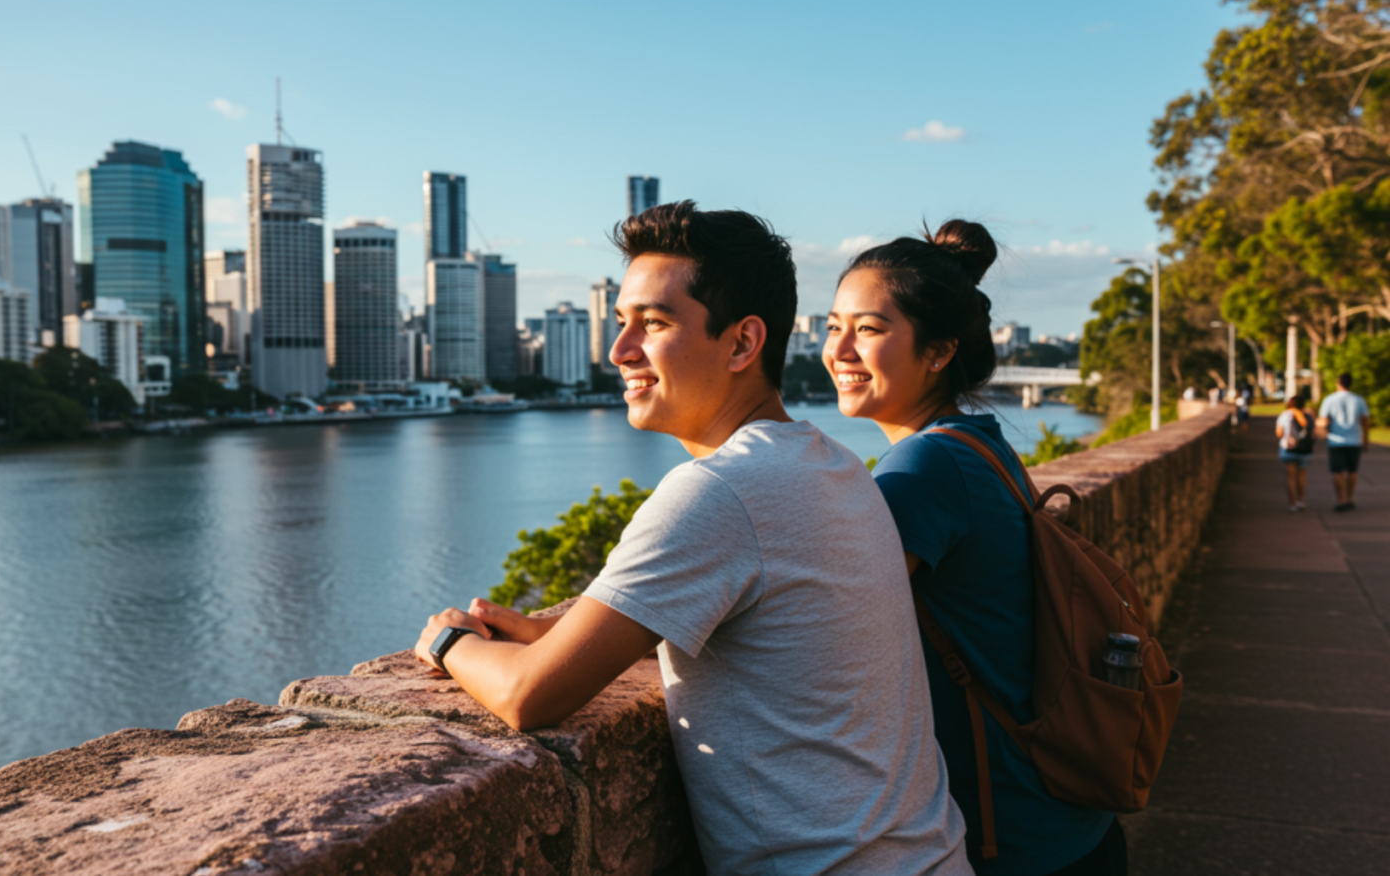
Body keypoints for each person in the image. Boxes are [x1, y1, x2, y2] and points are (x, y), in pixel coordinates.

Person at [413, 202, 972, 876]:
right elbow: (772, 633)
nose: (619, 351)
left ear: (741, 343)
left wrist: (451, 641)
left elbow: (529, 696)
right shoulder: (833, 465)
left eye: (653, 324)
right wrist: (563, 631)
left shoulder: (720, 490)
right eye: (621, 323)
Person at [823, 219, 1126, 875]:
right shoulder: (976, 441)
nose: (839, 349)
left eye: (869, 330)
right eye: (831, 326)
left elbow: (822, 631)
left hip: (1013, 838)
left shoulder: (922, 471)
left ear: (937, 352)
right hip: (1062, 820)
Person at [1318, 372, 1372, 512]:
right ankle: (1349, 498)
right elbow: (1365, 421)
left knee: (1337, 472)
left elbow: (1323, 421)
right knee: (1353, 470)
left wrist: (1323, 431)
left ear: (1338, 383)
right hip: (1354, 440)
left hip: (1335, 440)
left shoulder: (1329, 399)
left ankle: (1340, 499)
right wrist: (1366, 439)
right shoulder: (1359, 400)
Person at [1276, 392, 1316, 512]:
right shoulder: (1308, 416)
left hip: (1289, 449)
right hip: (1305, 450)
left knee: (1291, 478)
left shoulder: (1285, 415)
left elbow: (1279, 433)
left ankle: (1292, 504)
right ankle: (1301, 501)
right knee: (1302, 476)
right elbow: (1313, 434)